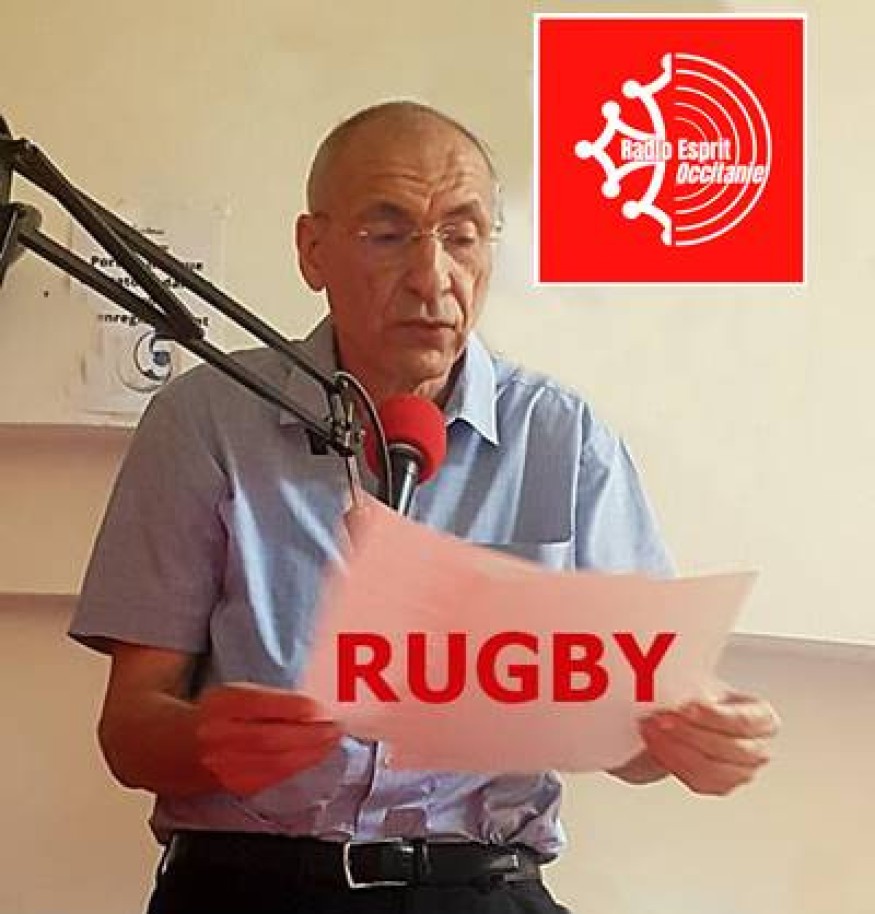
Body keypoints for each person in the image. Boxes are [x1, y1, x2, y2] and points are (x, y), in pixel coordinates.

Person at [70, 101, 780, 914]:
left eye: (463, 236)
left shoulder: (563, 437)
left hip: (477, 884)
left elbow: (637, 727)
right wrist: (208, 741)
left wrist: (694, 738)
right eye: (387, 234)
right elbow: (129, 734)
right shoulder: (207, 419)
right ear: (312, 249)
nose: (432, 276)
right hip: (251, 884)